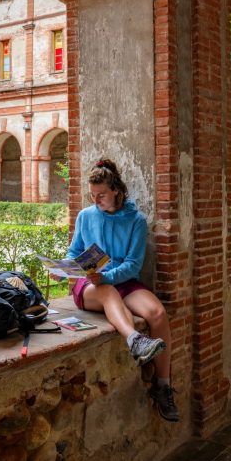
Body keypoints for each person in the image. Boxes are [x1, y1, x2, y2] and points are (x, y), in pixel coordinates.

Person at [67, 158, 179, 421]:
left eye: (102, 195)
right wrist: (73, 268)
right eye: (92, 195)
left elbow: (133, 264)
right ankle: (135, 340)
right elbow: (74, 253)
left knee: (158, 313)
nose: (96, 201)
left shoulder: (135, 220)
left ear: (116, 190)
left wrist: (107, 275)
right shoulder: (85, 216)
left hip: (122, 280)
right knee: (108, 292)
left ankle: (163, 387)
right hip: (92, 285)